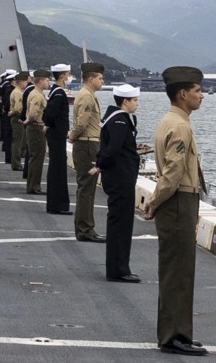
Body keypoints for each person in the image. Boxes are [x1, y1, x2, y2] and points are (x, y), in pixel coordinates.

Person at [144, 65, 207, 355]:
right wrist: (154, 203)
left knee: (175, 271)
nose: (201, 96)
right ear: (183, 93)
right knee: (178, 273)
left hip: (179, 202)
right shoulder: (180, 125)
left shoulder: (169, 120)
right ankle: (174, 336)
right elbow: (172, 172)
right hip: (178, 202)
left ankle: (175, 332)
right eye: (197, 91)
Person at [97, 82, 143, 283]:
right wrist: (100, 164)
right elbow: (113, 149)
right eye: (135, 100)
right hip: (121, 179)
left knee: (119, 223)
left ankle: (117, 268)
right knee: (121, 225)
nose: (137, 104)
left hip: (119, 178)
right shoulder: (120, 121)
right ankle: (119, 270)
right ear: (125, 101)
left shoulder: (114, 118)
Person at [71, 62, 106, 242]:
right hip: (87, 145)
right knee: (87, 188)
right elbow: (82, 122)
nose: (102, 81)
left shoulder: (87, 95)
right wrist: (72, 136)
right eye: (100, 78)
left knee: (85, 188)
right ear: (90, 79)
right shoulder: (86, 96)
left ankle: (83, 227)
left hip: (87, 143)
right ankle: (86, 230)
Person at [43, 63, 73, 215]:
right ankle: (57, 205)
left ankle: (57, 204)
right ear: (61, 76)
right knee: (58, 169)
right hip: (57, 135)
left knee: (57, 168)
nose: (69, 76)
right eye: (68, 74)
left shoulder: (55, 91)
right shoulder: (60, 93)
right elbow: (49, 114)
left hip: (56, 134)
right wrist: (49, 125)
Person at [22, 69, 51, 195]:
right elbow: (33, 114)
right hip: (36, 127)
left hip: (35, 127)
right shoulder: (37, 95)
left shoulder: (36, 93)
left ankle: (34, 185)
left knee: (37, 157)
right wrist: (29, 121)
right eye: (47, 80)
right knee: (36, 158)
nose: (48, 83)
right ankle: (33, 186)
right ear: (40, 81)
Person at [6, 71, 31, 171]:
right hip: (17, 118)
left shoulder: (18, 92)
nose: (26, 84)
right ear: (21, 82)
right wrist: (13, 112)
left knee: (19, 141)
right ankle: (16, 164)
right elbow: (18, 108)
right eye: (25, 82)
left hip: (16, 117)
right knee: (18, 142)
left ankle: (16, 162)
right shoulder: (18, 93)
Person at [0, 68, 17, 164]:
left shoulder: (4, 85)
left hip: (5, 109)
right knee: (8, 134)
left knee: (6, 132)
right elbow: (6, 100)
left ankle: (6, 149)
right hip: (8, 112)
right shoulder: (9, 88)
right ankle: (8, 155)